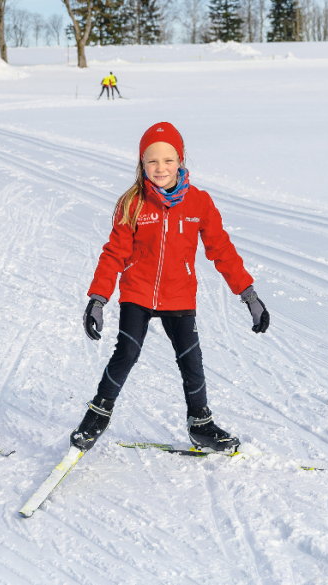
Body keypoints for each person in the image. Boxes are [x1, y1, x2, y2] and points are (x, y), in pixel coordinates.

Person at [70, 122, 270, 452]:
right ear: (142, 164)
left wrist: (249, 295)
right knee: (127, 352)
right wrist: (98, 299)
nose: (160, 168)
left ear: (180, 161)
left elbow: (221, 249)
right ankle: (96, 416)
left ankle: (201, 424)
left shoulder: (199, 203)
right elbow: (114, 253)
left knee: (192, 360)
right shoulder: (132, 203)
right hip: (138, 291)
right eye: (152, 161)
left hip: (179, 293)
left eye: (168, 160)